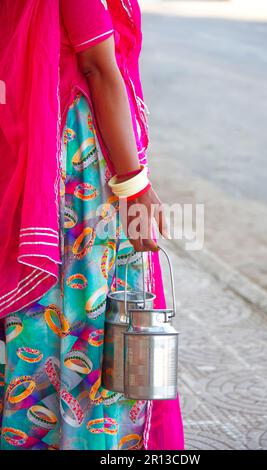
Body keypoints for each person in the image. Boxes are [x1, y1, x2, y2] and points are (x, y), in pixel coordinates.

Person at [0, 0, 184, 450]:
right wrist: (134, 185)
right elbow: (100, 69)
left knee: (48, 312)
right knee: (91, 315)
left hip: (33, 153)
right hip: (78, 170)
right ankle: (88, 438)